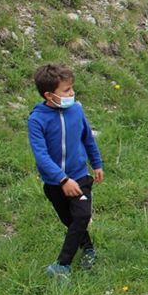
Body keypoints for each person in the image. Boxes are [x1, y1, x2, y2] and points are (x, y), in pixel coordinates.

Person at [28, 63, 104, 279]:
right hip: (55, 183)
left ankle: (62, 265)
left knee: (82, 216)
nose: (72, 94)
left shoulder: (76, 110)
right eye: (66, 90)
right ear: (49, 95)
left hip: (80, 176)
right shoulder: (36, 120)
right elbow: (41, 156)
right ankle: (88, 249)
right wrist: (62, 180)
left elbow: (87, 138)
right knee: (70, 220)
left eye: (72, 88)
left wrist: (96, 164)